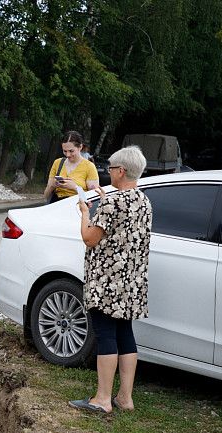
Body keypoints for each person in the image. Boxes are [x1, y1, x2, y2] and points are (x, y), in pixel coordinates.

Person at [69, 146, 152, 414]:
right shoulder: (143, 200)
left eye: (110, 168)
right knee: (125, 334)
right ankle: (125, 398)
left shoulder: (112, 203)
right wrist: (106, 202)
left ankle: (103, 399)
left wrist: (84, 213)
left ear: (120, 170)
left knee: (105, 335)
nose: (108, 172)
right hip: (131, 282)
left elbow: (90, 238)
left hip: (108, 283)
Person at [44, 131, 99, 204]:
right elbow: (47, 196)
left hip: (77, 208)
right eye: (65, 151)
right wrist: (52, 186)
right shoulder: (57, 163)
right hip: (56, 207)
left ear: (80, 147)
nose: (68, 155)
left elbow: (94, 198)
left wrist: (75, 187)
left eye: (71, 151)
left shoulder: (89, 166)